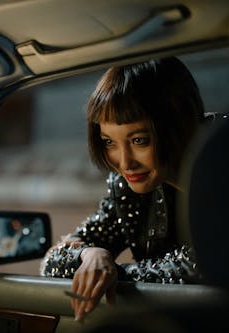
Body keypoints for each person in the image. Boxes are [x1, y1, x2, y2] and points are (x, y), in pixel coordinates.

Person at [40, 57, 206, 323]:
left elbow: (199, 269)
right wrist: (91, 254)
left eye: (139, 140)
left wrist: (111, 273)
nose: (124, 162)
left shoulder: (222, 169)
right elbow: (52, 262)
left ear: (177, 125)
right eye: (108, 142)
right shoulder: (127, 186)